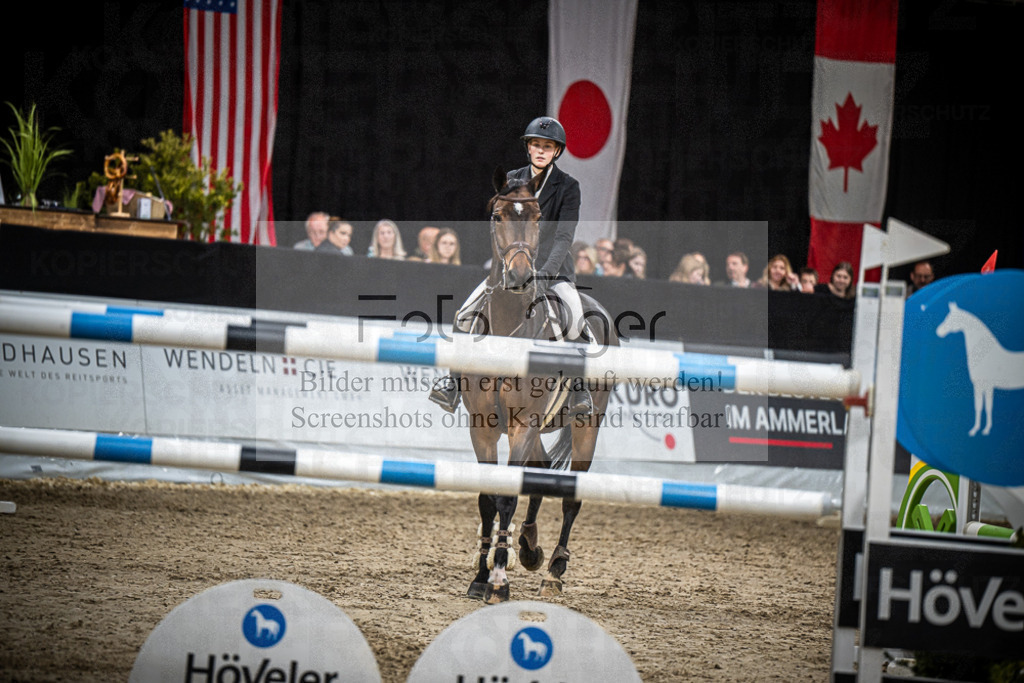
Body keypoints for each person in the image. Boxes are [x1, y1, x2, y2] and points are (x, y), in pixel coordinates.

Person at [430, 115, 592, 416]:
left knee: (576, 319)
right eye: (536, 145)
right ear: (528, 148)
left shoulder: (568, 187)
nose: (541, 151)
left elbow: (564, 237)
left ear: (557, 151)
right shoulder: (512, 179)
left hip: (553, 271)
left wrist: (544, 273)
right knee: (464, 314)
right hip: (510, 270)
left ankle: (581, 391)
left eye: (547, 146)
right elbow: (499, 224)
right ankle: (452, 382)